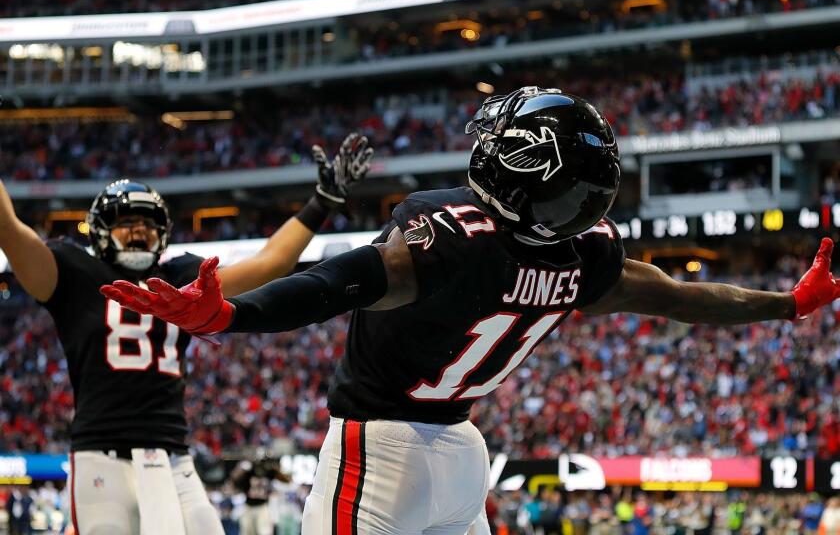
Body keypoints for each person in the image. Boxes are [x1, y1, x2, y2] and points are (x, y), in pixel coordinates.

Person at [102, 86, 840, 534]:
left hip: (378, 451)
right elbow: (680, 297)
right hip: (462, 458)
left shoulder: (454, 234)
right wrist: (788, 304)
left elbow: (338, 283)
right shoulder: (585, 258)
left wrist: (233, 317)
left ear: (520, 172)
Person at [0, 133, 372, 535]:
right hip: (100, 452)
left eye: (148, 224)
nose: (140, 232)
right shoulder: (71, 271)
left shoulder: (179, 274)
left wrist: (322, 204)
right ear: (102, 230)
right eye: (128, 225)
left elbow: (272, 262)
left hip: (172, 456)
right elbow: (9, 230)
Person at [231, 457, 290, 535]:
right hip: (249, 506)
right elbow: (234, 481)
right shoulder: (249, 472)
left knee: (264, 531)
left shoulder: (269, 472)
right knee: (247, 531)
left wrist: (275, 469)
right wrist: (241, 469)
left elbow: (286, 480)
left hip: (262, 506)